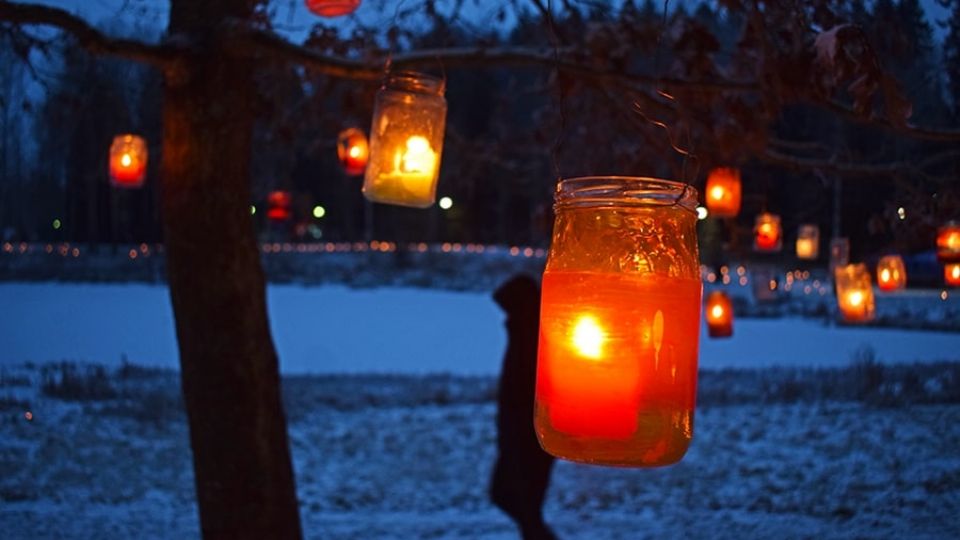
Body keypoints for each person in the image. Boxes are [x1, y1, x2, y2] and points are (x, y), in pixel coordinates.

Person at [490, 274, 558, 540]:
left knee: (516, 499)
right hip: (518, 431)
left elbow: (525, 384)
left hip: (529, 435)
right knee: (513, 499)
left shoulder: (531, 335)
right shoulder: (523, 330)